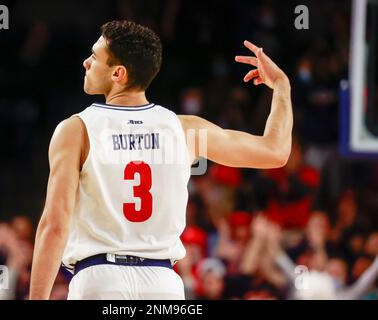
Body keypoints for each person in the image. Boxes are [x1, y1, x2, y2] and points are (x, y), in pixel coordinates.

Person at [29, 20, 292, 300]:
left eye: (94, 56)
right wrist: (282, 87)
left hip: (100, 279)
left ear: (118, 73)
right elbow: (275, 152)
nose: (86, 62)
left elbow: (55, 225)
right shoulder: (186, 130)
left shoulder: (76, 130)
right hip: (162, 284)